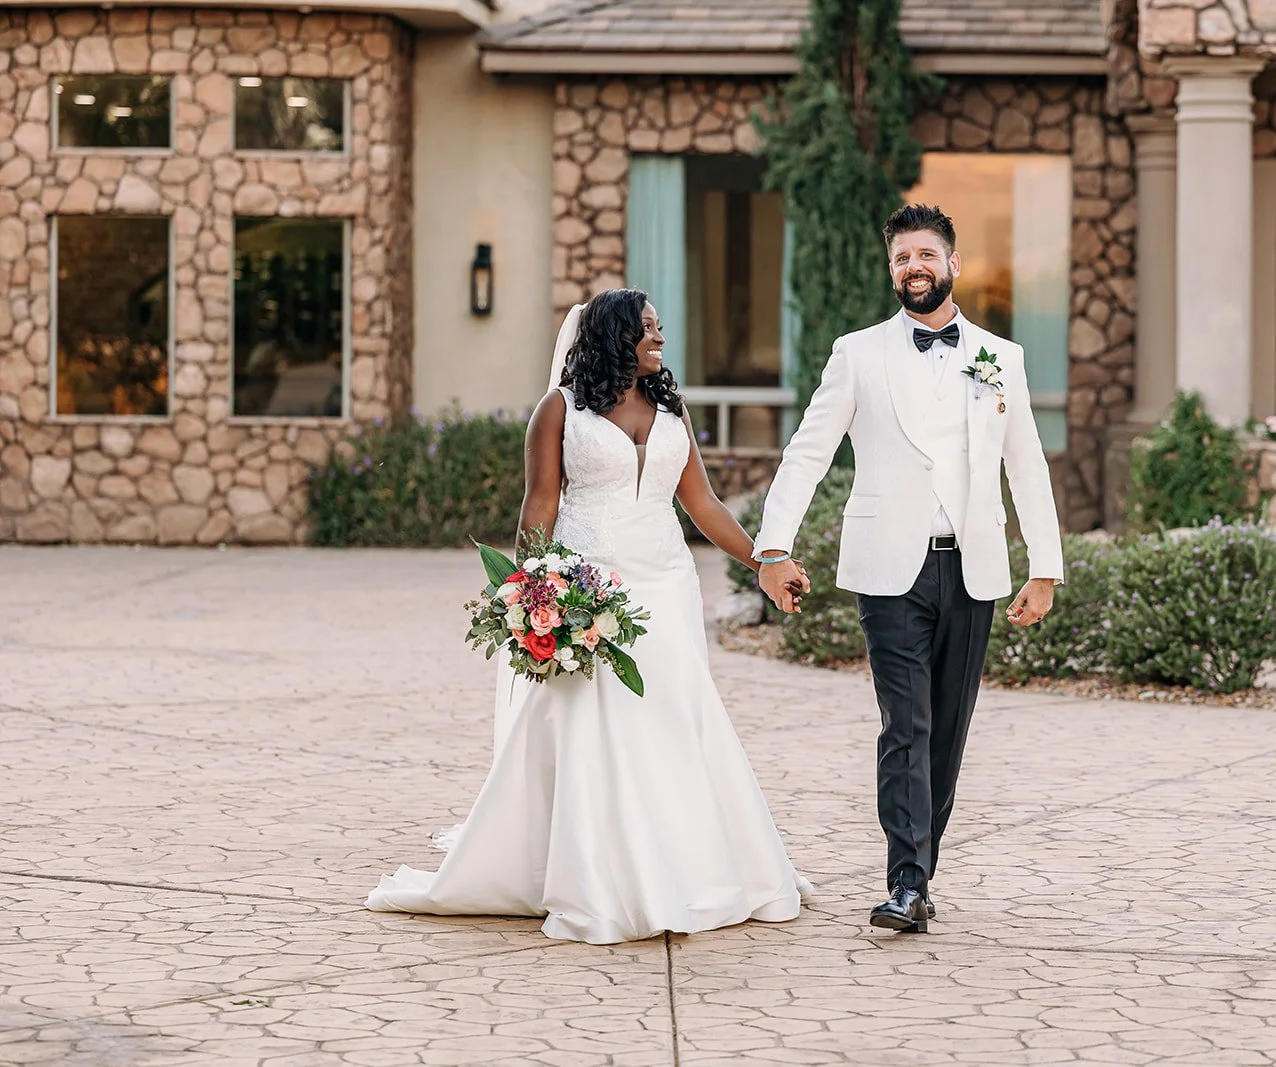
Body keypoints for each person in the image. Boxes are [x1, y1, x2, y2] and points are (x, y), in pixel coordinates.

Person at [366, 288, 813, 945]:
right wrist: (534, 596)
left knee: (673, 716)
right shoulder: (559, 410)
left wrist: (764, 561)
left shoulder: (671, 409)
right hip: (590, 585)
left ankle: (684, 860)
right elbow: (538, 509)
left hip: (665, 584)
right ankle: (599, 872)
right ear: (612, 334)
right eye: (648, 329)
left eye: (661, 329)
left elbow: (704, 503)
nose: (660, 339)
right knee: (593, 726)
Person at [753, 204, 1063, 933]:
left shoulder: (1000, 358)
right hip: (888, 569)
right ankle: (906, 881)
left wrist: (1044, 566)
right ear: (892, 270)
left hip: (973, 570)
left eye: (926, 254)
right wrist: (773, 546)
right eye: (901, 258)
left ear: (953, 264)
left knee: (948, 732)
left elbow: (1027, 465)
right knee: (906, 723)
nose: (913, 267)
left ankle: (921, 868)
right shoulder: (857, 354)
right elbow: (807, 452)